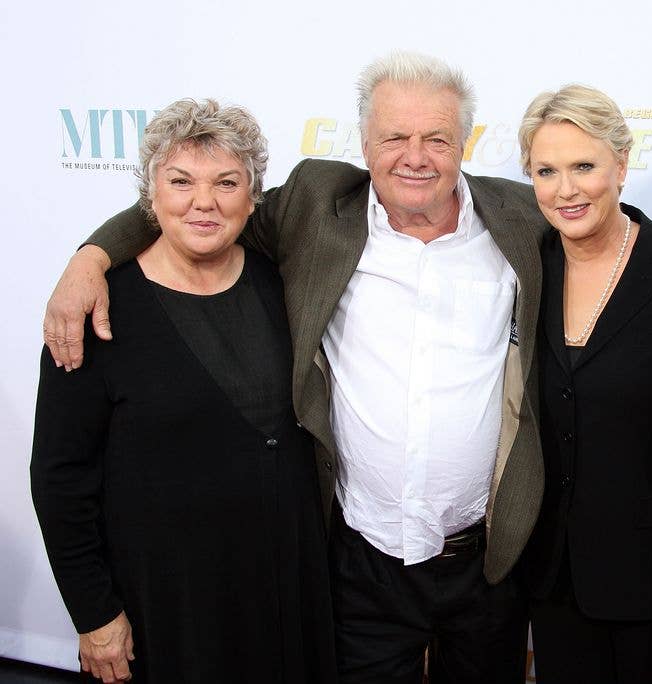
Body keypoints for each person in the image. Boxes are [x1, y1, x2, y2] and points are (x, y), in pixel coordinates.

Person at [42, 52, 544, 684]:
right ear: (363, 143)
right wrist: (90, 256)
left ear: (465, 142)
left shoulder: (524, 220)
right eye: (394, 137)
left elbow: (219, 196)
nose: (415, 157)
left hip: (485, 560)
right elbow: (200, 200)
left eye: (437, 139)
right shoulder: (315, 206)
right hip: (358, 560)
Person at [31, 99, 335, 683]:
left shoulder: (282, 277)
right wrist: (95, 614)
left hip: (286, 591)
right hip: (166, 607)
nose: (204, 201)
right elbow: (59, 475)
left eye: (227, 182)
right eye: (181, 182)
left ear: (253, 196)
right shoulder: (96, 309)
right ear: (150, 196)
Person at [516, 85, 652, 683]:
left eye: (583, 166)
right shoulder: (524, 265)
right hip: (551, 577)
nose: (566, 190)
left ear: (621, 165)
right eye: (546, 171)